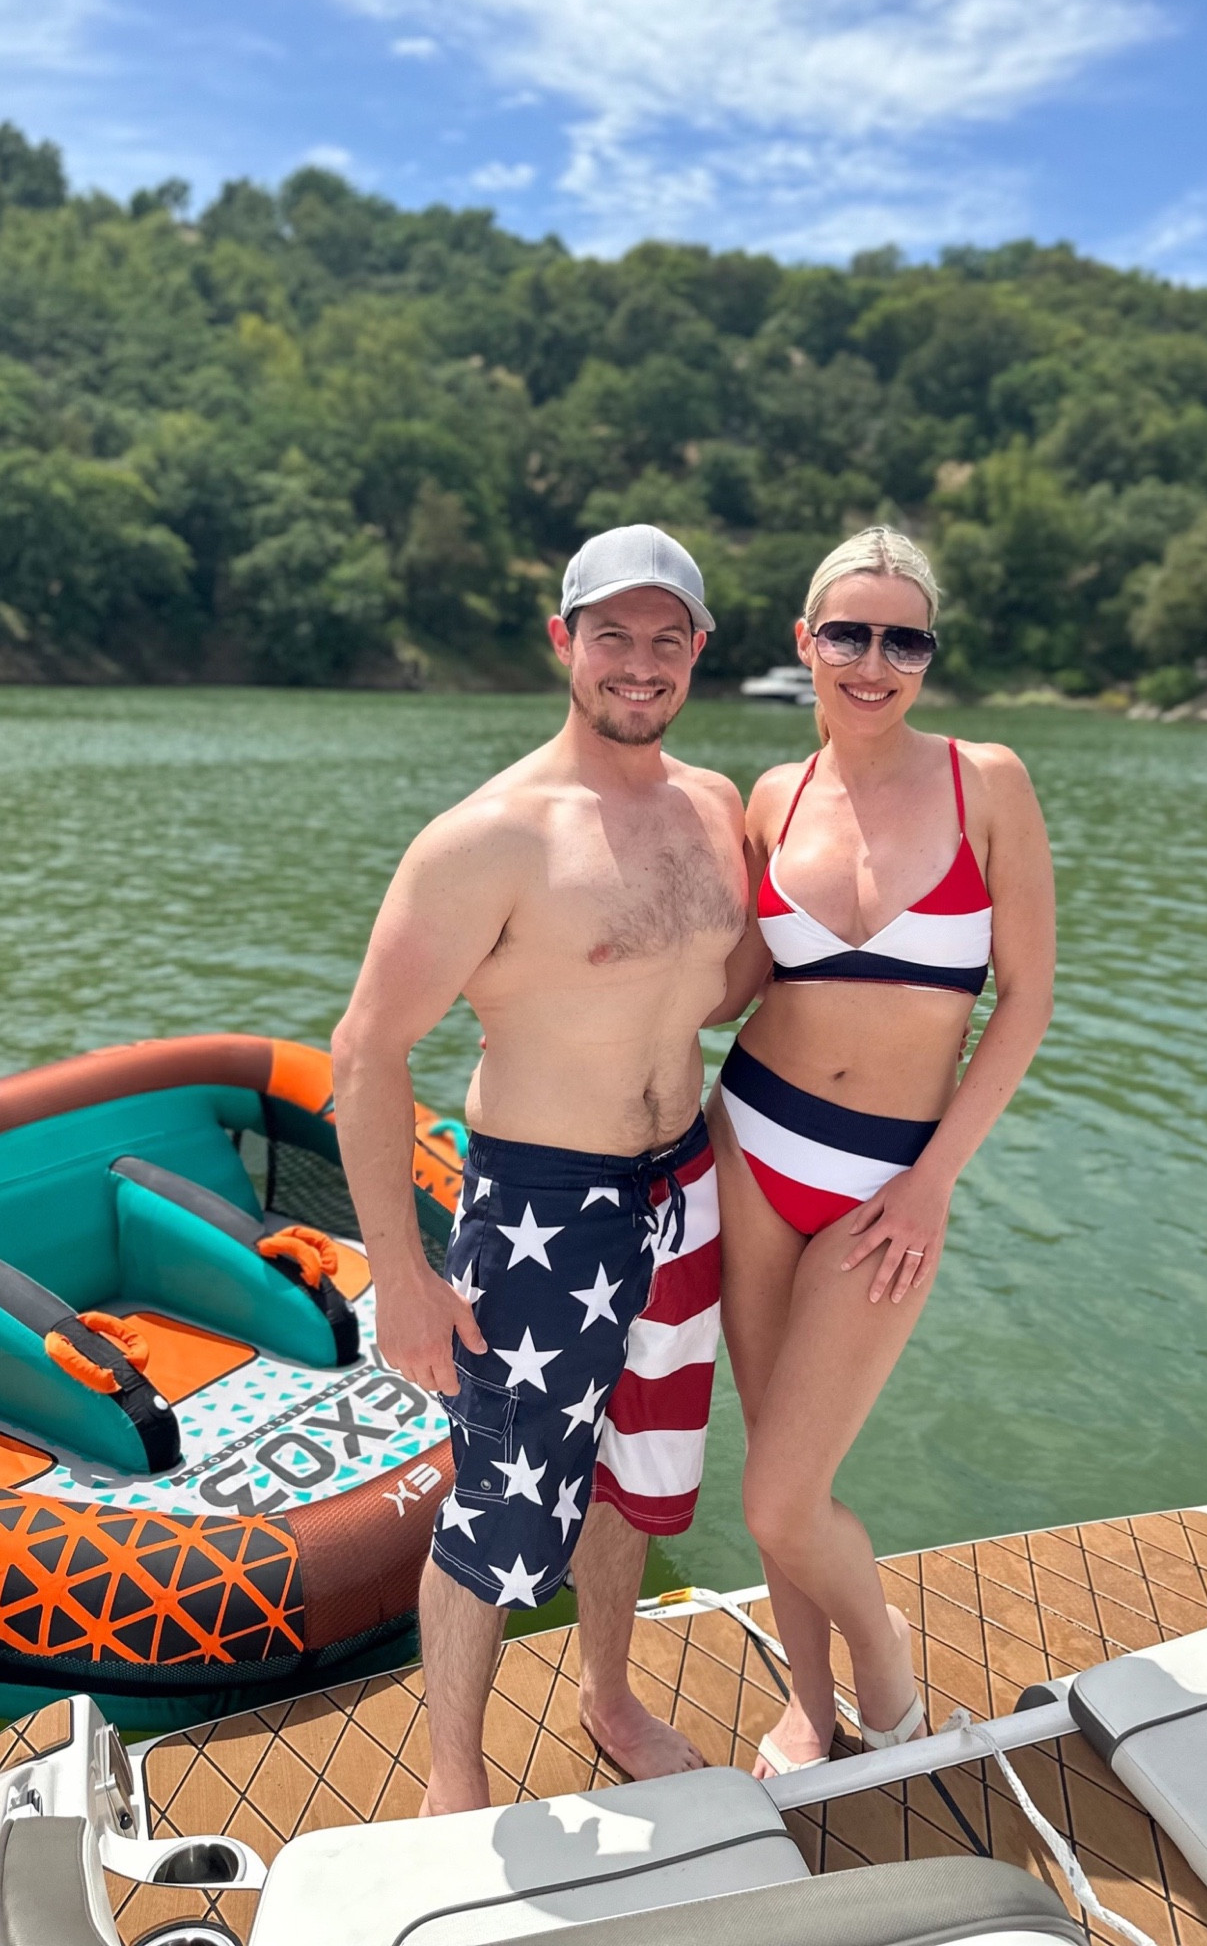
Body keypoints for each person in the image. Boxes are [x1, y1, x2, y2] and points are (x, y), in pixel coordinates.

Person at [333, 524, 746, 1814]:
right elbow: (365, 1051)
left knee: (635, 1479)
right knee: (495, 1513)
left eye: (664, 636)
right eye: (609, 633)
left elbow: (727, 981)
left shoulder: (717, 807)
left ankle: (606, 1692)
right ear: (562, 639)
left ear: (697, 650)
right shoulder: (488, 838)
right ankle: (453, 1781)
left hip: (681, 1187)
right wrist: (400, 1272)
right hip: (538, 1209)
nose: (639, 661)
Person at [707, 526, 1055, 1777]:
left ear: (927, 656)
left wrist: (933, 1177)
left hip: (885, 1183)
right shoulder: (769, 795)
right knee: (766, 1459)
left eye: (901, 637)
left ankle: (882, 1658)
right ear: (804, 642)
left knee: (783, 1493)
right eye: (847, 632)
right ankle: (810, 1702)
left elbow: (1024, 998)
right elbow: (735, 980)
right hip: (749, 1143)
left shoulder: (986, 783)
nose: (872, 659)